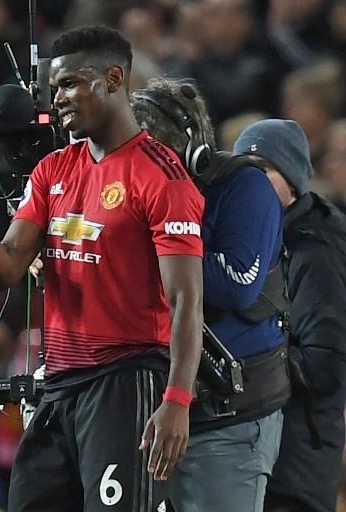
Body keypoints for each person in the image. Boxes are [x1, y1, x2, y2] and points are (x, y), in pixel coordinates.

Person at [0, 25, 205, 511]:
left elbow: (188, 298)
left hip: (127, 379)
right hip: (60, 382)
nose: (57, 98)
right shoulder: (54, 169)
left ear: (112, 78)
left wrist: (177, 400)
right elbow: (6, 268)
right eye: (54, 87)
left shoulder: (161, 176)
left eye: (70, 84)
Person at [130, 78, 289, 512]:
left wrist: (142, 246)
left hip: (229, 416)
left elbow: (238, 285)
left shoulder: (244, 187)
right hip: (151, 409)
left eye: (153, 153)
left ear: (191, 151)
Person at [233, 119, 346, 512]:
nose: (250, 181)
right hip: (255, 457)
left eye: (263, 169)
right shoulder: (248, 243)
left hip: (295, 468)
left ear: (294, 183)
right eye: (242, 169)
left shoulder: (316, 253)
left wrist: (245, 362)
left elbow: (325, 366)